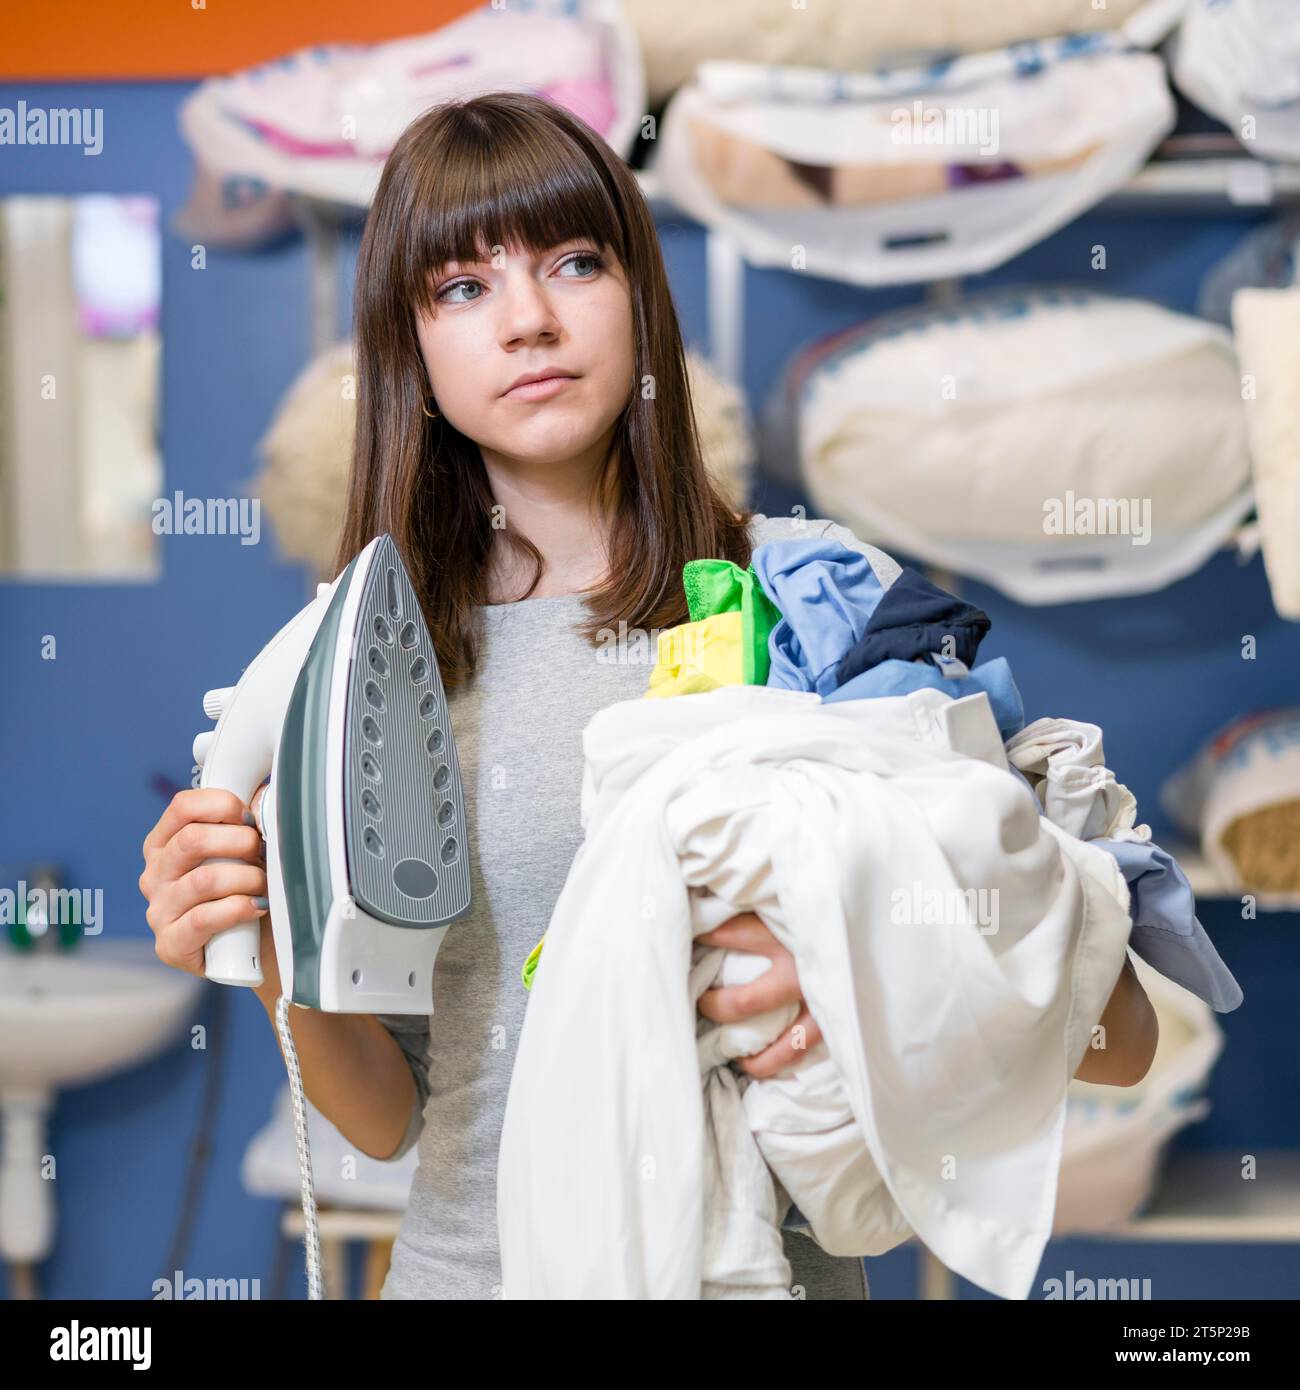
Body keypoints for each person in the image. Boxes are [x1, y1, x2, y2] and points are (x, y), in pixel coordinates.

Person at [139, 91, 1157, 1302]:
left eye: (574, 262)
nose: (527, 321)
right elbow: (389, 1118)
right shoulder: (377, 679)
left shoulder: (820, 603)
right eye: (462, 287)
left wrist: (868, 971)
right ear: (407, 347)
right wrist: (263, 934)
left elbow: (1116, 1038)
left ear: (642, 299)